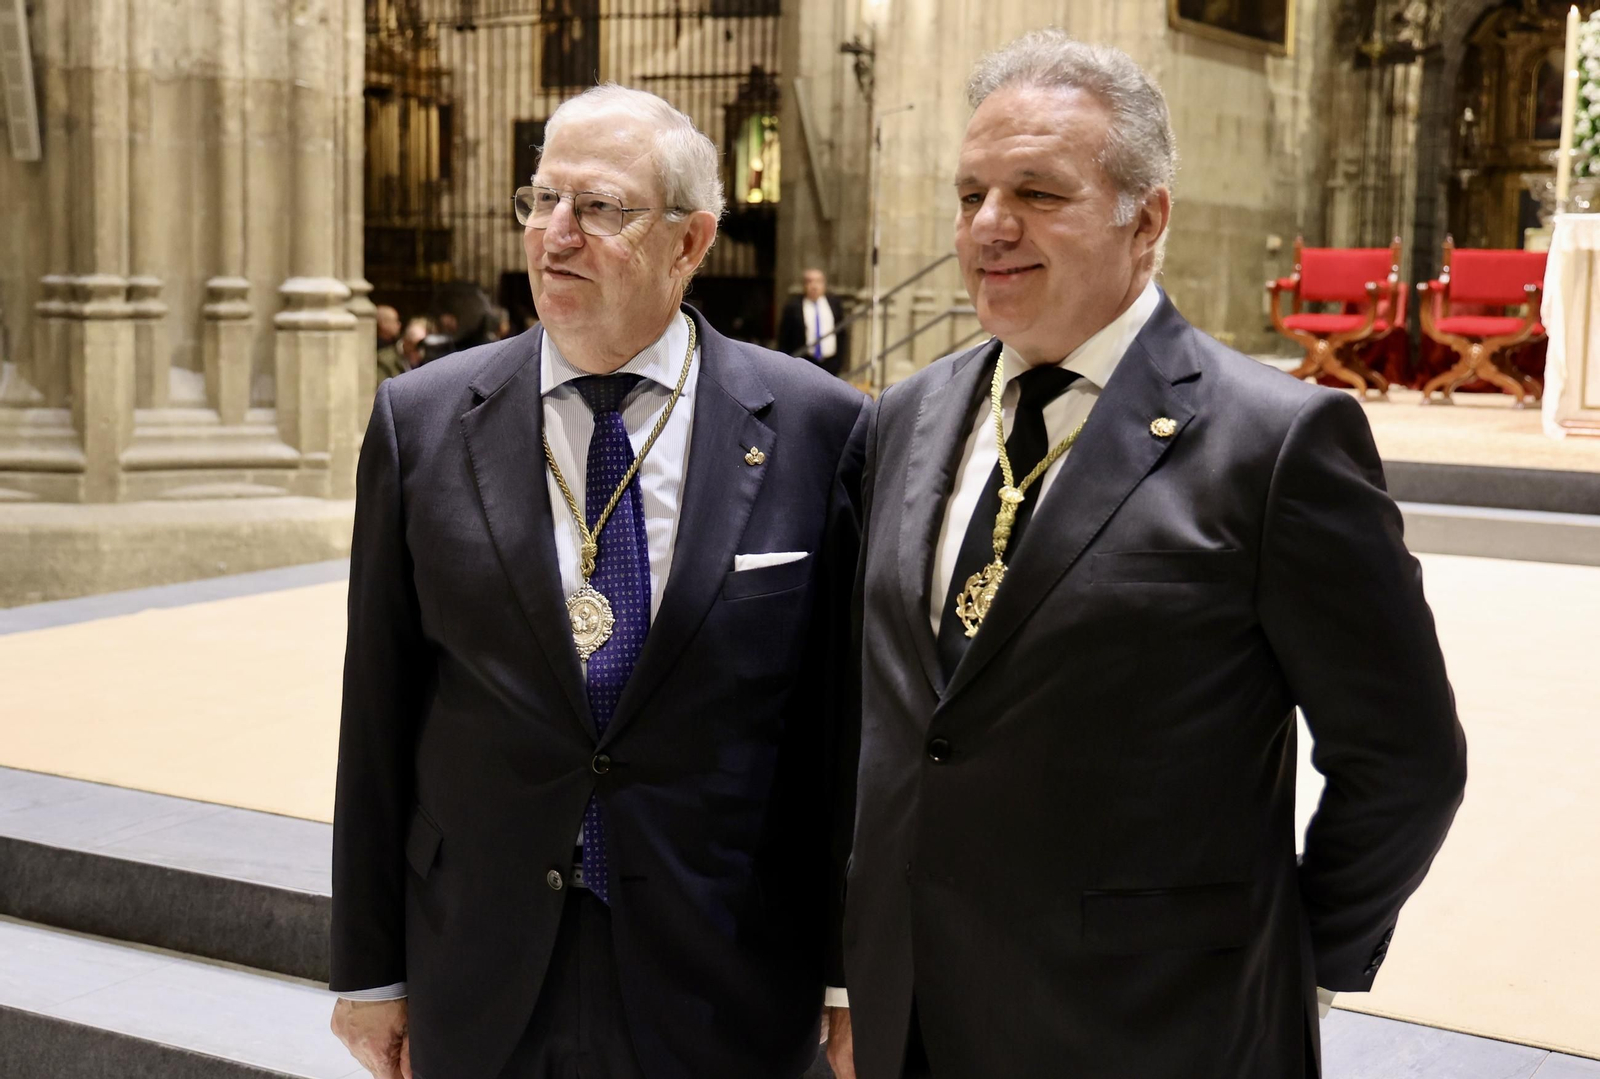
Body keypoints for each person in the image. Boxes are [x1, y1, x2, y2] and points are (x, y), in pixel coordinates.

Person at [833, 31, 1467, 1079]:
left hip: (1158, 1022)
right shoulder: (905, 415)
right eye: (969, 193)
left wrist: (1296, 953)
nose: (990, 226)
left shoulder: (1274, 443)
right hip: (920, 1007)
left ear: (1148, 216)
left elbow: (1403, 759)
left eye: (1038, 192)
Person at [328, 83, 869, 1079]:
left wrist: (845, 973)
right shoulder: (420, 420)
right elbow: (379, 708)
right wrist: (367, 967)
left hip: (727, 965)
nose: (554, 235)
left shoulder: (818, 427)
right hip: (483, 955)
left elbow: (841, 732)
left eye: (599, 208)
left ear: (691, 241)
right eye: (540, 200)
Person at [778, 268, 850, 376]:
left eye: (818, 281)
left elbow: (841, 333)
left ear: (824, 284)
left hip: (830, 362)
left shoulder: (834, 304)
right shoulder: (793, 307)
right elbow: (784, 337)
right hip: (805, 361)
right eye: (810, 282)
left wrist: (839, 362)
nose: (814, 286)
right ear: (804, 285)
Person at [375, 306, 406, 383]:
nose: (399, 324)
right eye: (395, 321)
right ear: (383, 323)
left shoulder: (399, 344)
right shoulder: (375, 348)